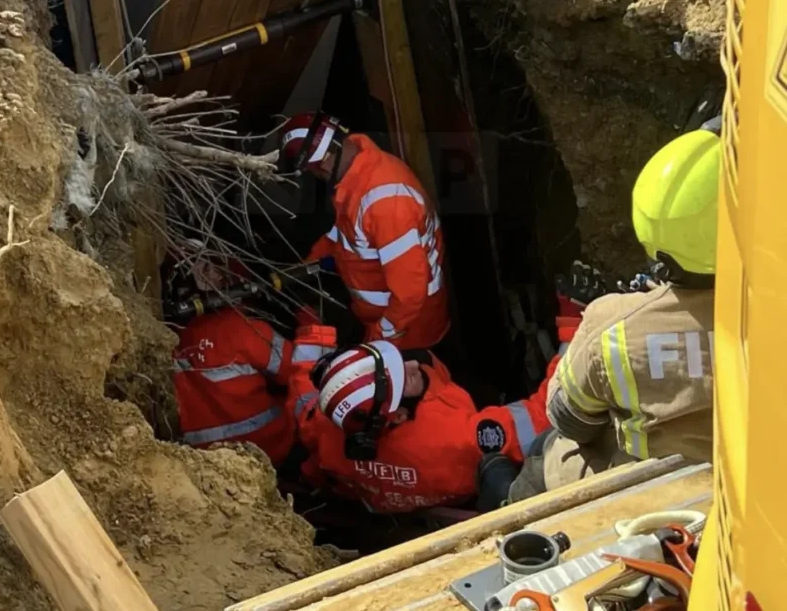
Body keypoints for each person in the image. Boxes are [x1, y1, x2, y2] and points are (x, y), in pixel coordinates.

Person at [530, 129, 719, 495]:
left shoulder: (613, 327)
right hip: (755, 485)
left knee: (545, 456)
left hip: (655, 499)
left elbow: (570, 421)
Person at [283, 324, 558, 513]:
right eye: (408, 378)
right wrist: (572, 328)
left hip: (381, 504)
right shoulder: (455, 436)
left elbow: (302, 397)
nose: (413, 364)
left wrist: (313, 333)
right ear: (400, 415)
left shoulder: (323, 423)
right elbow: (544, 414)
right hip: (464, 495)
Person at [279, 111, 448, 351]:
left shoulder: (386, 204)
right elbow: (345, 234)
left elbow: (409, 295)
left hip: (409, 336)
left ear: (324, 161)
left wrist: (379, 341)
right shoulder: (359, 176)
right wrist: (305, 267)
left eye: (313, 172)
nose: (317, 178)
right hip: (382, 322)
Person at [168, 254, 303, 466]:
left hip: (202, 459)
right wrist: (309, 330)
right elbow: (295, 369)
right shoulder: (241, 329)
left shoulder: (168, 339)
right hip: (267, 446)